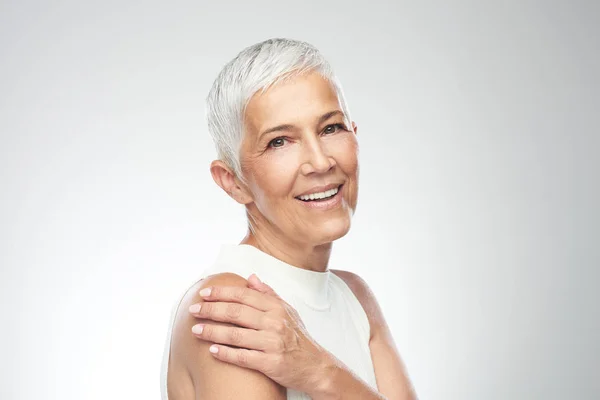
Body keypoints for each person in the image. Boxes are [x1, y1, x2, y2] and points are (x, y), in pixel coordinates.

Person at [160, 37, 417, 399]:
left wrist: (321, 373)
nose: (321, 161)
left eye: (331, 128)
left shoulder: (355, 299)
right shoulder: (229, 307)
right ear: (233, 182)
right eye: (279, 141)